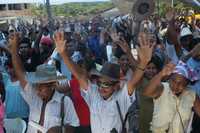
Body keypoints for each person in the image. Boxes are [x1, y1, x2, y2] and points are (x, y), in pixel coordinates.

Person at [54, 31, 154, 133]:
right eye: (99, 83)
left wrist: (144, 62)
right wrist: (63, 54)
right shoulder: (93, 95)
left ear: (116, 86)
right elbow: (79, 76)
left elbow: (133, 82)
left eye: (106, 84)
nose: (101, 87)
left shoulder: (121, 98)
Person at [10, 33, 79, 133]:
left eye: (41, 87)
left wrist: (61, 130)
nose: (38, 90)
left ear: (52, 85)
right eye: (37, 86)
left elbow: (73, 125)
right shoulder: (33, 96)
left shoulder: (65, 101)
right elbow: (20, 73)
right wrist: (14, 49)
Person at [143, 62, 200, 133]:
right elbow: (146, 92)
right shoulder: (162, 88)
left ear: (186, 84)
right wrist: (161, 74)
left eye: (181, 83)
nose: (176, 86)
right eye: (173, 81)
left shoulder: (192, 95)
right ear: (169, 78)